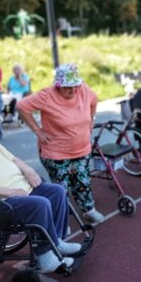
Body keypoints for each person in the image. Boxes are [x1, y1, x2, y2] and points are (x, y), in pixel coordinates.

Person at [0, 108, 81, 273]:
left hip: (23, 190)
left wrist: (29, 170)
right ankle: (45, 258)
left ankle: (56, 241)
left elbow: (14, 159)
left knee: (57, 191)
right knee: (40, 204)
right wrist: (10, 192)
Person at [17, 64, 104, 223]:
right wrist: (38, 131)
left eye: (75, 86)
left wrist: (92, 119)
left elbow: (94, 99)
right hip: (56, 152)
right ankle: (63, 220)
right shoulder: (47, 96)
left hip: (82, 149)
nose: (73, 90)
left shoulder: (82, 89)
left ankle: (88, 209)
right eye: (67, 87)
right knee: (62, 189)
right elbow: (22, 106)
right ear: (58, 85)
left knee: (83, 181)